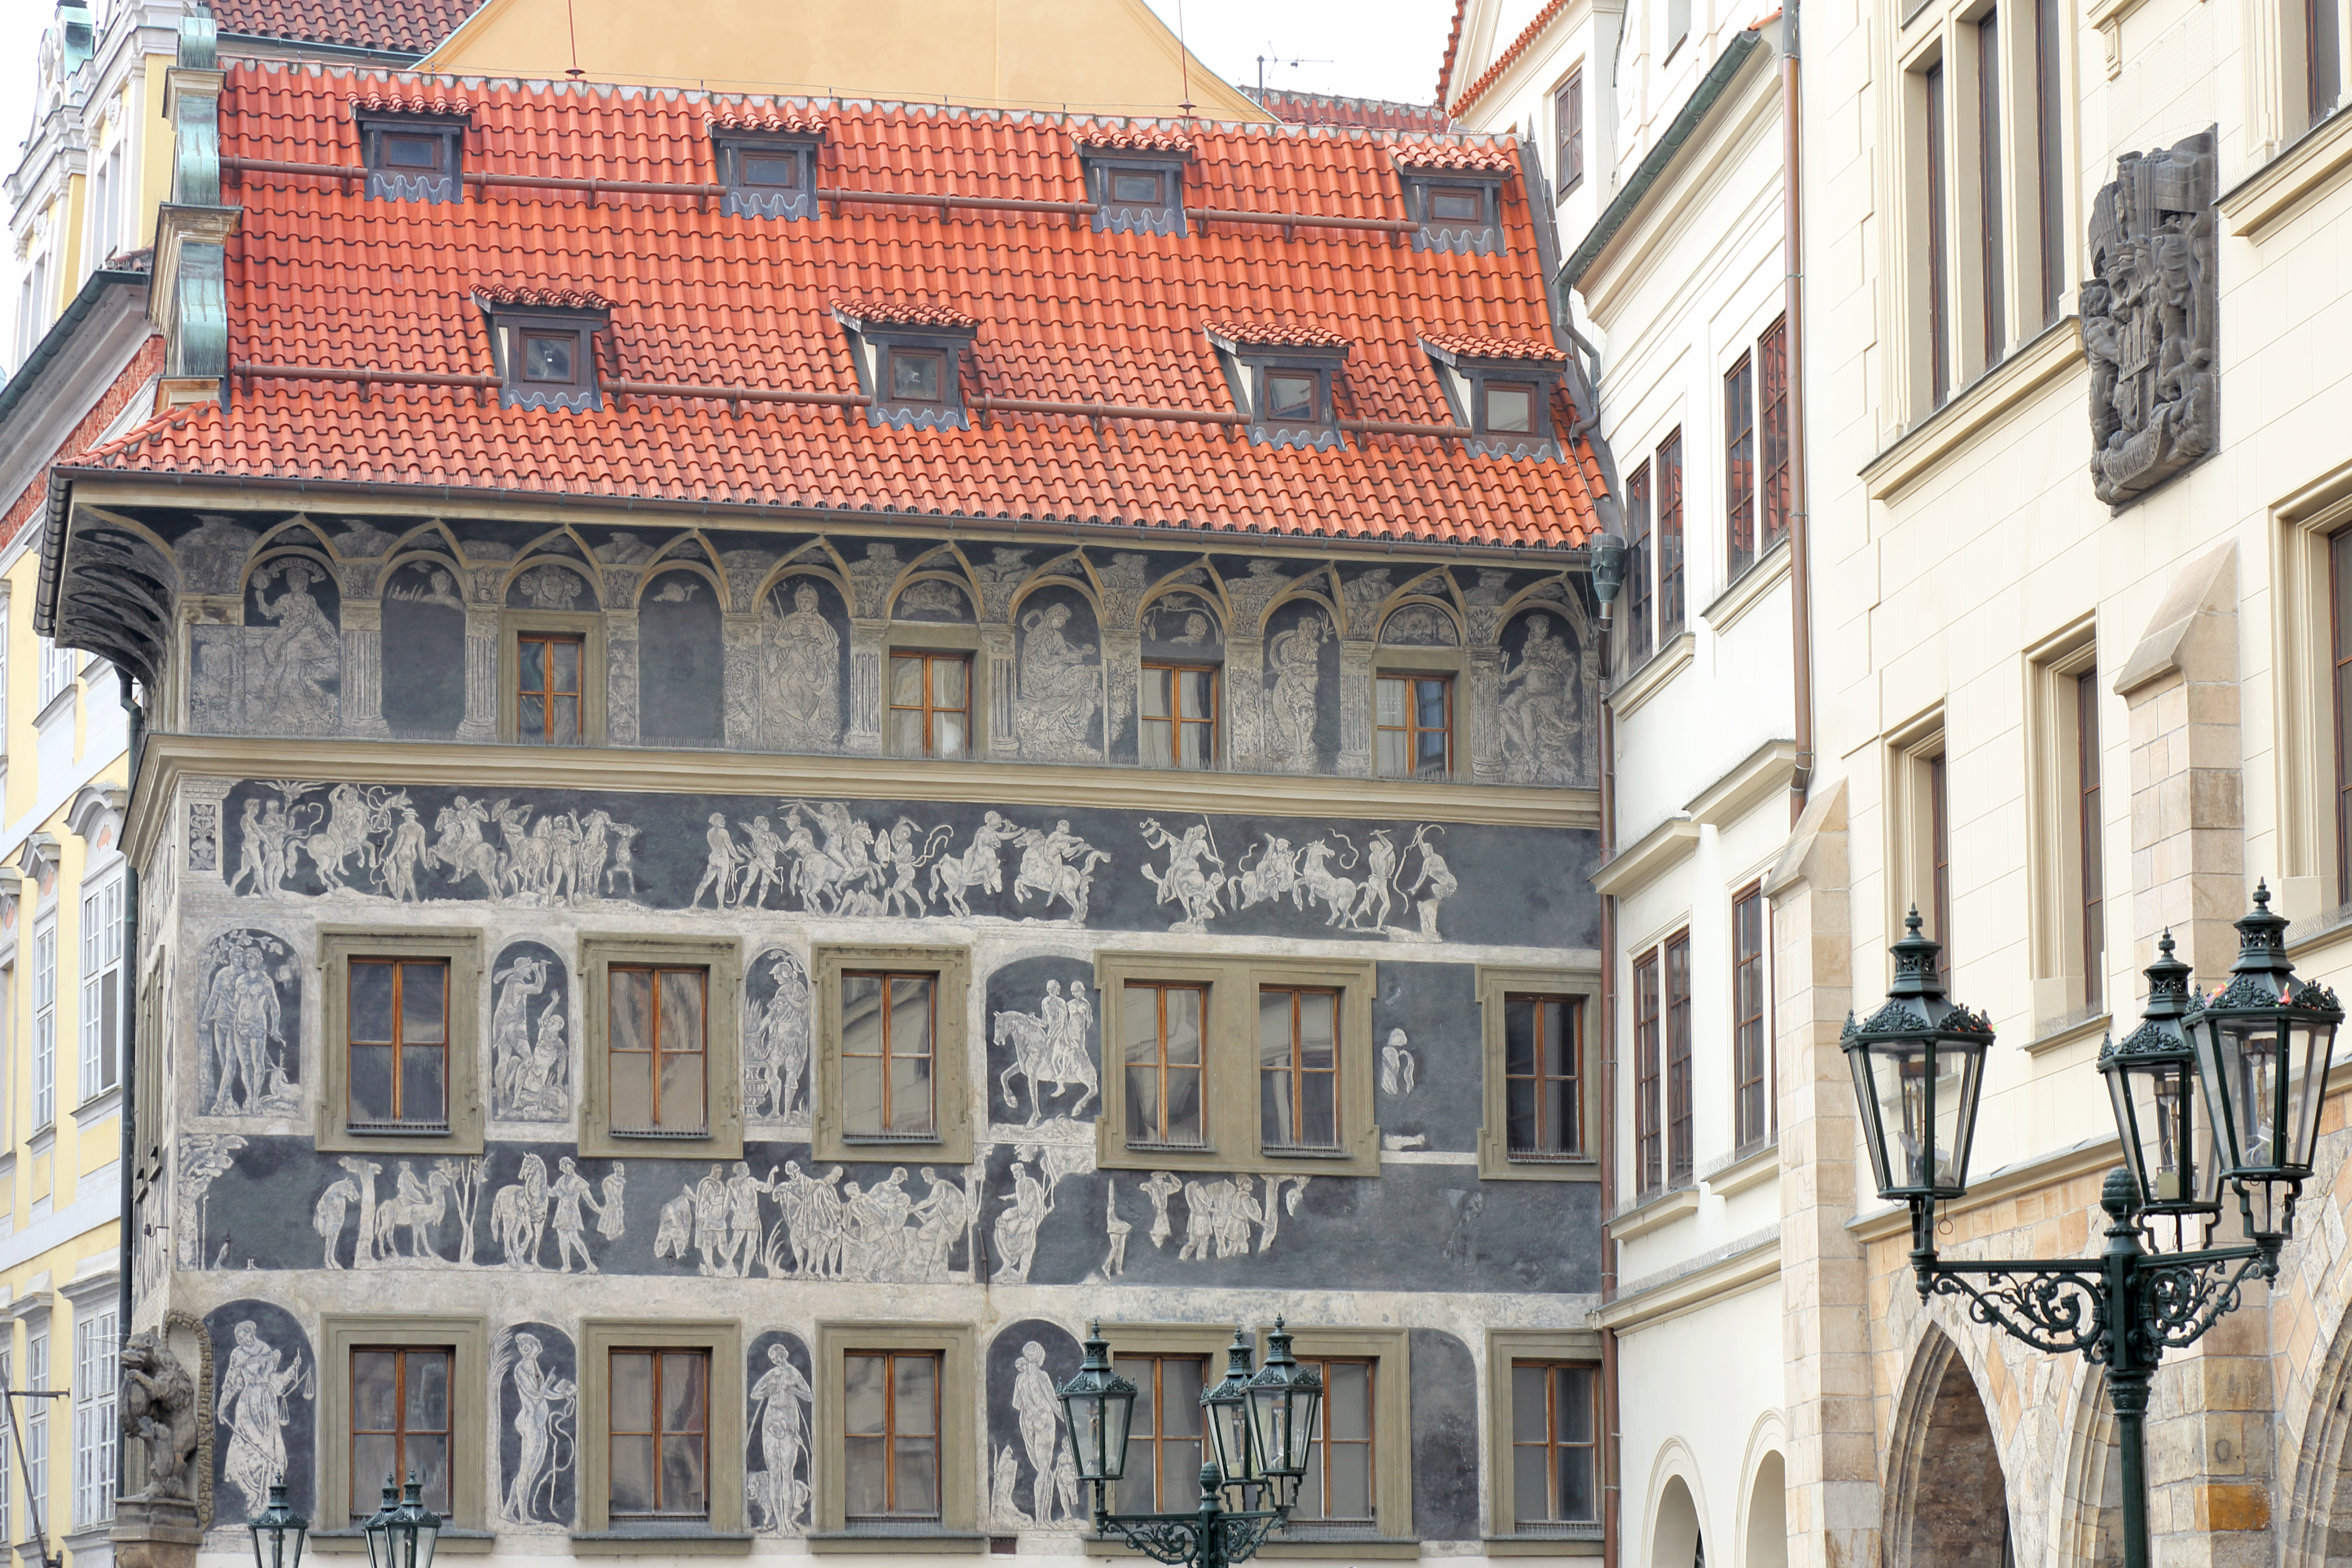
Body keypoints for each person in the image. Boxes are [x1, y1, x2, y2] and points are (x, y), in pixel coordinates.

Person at [218, 1321, 307, 1521]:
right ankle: (252, 1497)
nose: (242, 1339)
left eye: (245, 1335)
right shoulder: (237, 1354)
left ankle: (265, 1500)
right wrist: (222, 1407)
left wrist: (292, 1371)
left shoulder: (265, 1349)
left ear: (252, 1333)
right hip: (248, 1403)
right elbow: (232, 1382)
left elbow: (272, 1380)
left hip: (267, 1404)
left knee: (271, 1449)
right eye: (238, 1337)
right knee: (248, 1448)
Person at [503, 1333, 577, 1524]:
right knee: (527, 1471)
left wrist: (564, 1394)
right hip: (530, 1423)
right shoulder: (521, 1369)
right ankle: (524, 1516)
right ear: (527, 1347)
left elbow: (544, 1394)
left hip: (539, 1423)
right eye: (536, 1343)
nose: (540, 1344)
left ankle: (508, 1511)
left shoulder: (534, 1366)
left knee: (529, 1471)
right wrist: (550, 1381)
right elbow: (536, 1395)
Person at [766, 582, 842, 750]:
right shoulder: (790, 620)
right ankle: (795, 725)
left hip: (811, 661)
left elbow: (830, 643)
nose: (804, 603)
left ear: (814, 602)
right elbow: (777, 640)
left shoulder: (820, 623)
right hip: (793, 659)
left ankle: (808, 724)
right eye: (801, 601)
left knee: (804, 686)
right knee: (778, 684)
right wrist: (787, 643)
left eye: (807, 600)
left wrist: (817, 652)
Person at [749, 1345, 813, 1529]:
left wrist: (795, 1391)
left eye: (778, 1356)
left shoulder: (794, 1373)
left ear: (784, 1354)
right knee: (775, 1473)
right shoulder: (771, 1374)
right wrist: (767, 1391)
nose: (776, 1360)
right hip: (770, 1424)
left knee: (788, 1473)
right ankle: (780, 1523)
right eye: (773, 1358)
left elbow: (809, 1395)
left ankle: (788, 1520)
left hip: (790, 1423)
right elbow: (754, 1393)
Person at [1010, 1343, 1064, 1524]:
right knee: (1043, 1472)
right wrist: (1070, 1422)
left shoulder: (1020, 1379)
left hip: (1029, 1423)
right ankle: (1041, 1521)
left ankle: (1046, 1518)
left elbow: (1017, 1405)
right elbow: (1055, 1403)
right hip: (1044, 1423)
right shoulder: (1042, 1376)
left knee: (1046, 1472)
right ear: (1040, 1357)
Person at [548, 1156, 604, 1274]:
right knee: (563, 1239)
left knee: (575, 1239)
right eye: (563, 1168)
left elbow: (589, 1199)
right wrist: (544, 1187)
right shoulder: (561, 1180)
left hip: (572, 1212)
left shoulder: (579, 1181)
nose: (565, 1169)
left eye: (567, 1166)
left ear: (572, 1165)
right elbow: (553, 1193)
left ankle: (590, 1265)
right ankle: (566, 1265)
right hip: (561, 1212)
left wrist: (598, 1209)